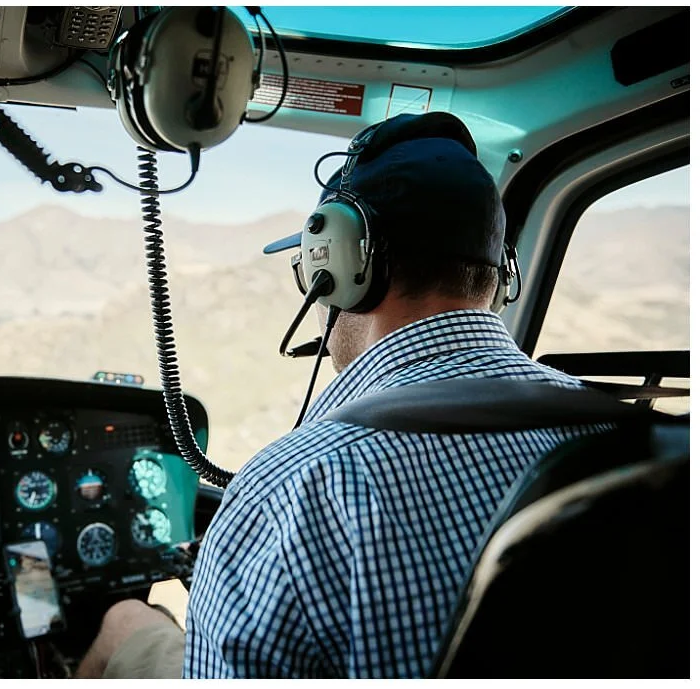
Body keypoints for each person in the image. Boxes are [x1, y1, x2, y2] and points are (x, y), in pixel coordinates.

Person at [79, 112, 604, 678]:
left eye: (310, 266)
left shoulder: (293, 488)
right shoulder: (615, 430)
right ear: (501, 271)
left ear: (344, 263)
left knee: (127, 621)